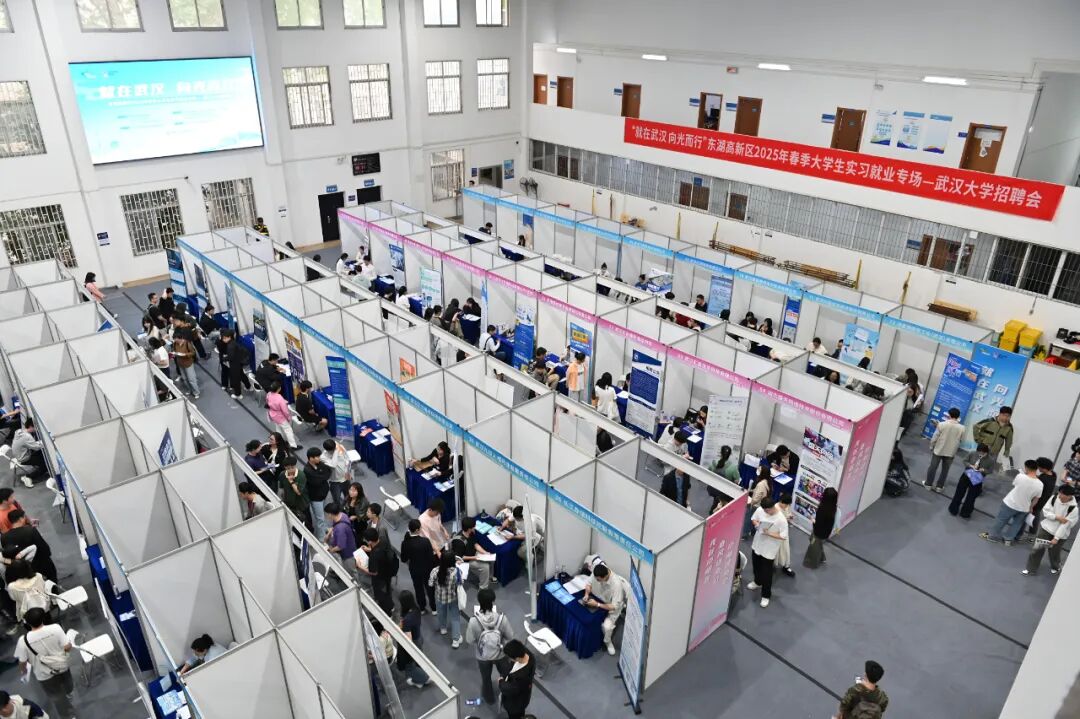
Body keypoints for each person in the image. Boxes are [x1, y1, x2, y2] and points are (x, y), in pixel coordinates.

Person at [15, 608, 74, 719]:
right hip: (62, 666)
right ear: (43, 618)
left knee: (56, 696)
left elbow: (22, 662)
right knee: (68, 685)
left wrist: (24, 671)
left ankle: (68, 715)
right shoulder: (55, 628)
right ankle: (68, 694)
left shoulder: (23, 641)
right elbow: (67, 647)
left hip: (44, 675)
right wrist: (64, 653)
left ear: (28, 623)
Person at [466, 587, 514, 705]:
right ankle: (508, 695)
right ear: (493, 601)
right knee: (506, 675)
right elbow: (510, 636)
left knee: (486, 678)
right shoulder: (502, 619)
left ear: (479, 602)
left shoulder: (473, 621)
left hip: (483, 656)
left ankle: (489, 699)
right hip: (500, 654)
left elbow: (469, 640)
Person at [981, 460, 1043, 546]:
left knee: (1001, 520)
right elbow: (1036, 499)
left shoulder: (1020, 476)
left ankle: (993, 537)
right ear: (1036, 469)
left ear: (1026, 467)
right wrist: (1031, 507)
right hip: (1024, 508)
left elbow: (1015, 485)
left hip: (1010, 503)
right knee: (1017, 524)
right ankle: (1008, 540)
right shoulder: (1040, 484)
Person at [747, 497, 788, 608]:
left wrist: (768, 533)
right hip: (757, 544)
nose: (765, 512)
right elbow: (754, 518)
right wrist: (757, 525)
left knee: (767, 574)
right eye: (764, 510)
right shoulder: (760, 510)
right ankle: (757, 582)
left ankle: (766, 595)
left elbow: (783, 536)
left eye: (767, 510)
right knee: (756, 566)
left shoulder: (781, 519)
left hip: (769, 550)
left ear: (772, 507)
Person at [583, 563, 627, 656]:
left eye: (598, 580)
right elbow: (589, 583)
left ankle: (607, 641)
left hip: (611, 606)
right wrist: (586, 594)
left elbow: (614, 606)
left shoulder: (617, 585)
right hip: (598, 599)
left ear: (606, 576)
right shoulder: (597, 571)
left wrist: (597, 604)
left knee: (607, 627)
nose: (597, 581)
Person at [2, 511, 56, 583]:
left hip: (23, 571)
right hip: (41, 566)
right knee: (51, 582)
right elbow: (44, 548)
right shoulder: (31, 531)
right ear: (21, 519)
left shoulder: (4, 537)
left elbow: (7, 555)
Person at [947, 443, 995, 519]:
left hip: (977, 479)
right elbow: (964, 460)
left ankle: (965, 513)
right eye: (979, 452)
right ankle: (953, 509)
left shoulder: (991, 460)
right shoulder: (972, 453)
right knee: (959, 493)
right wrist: (970, 465)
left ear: (986, 452)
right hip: (967, 475)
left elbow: (990, 470)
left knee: (971, 497)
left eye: (982, 453)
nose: (980, 454)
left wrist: (983, 470)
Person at [400, 519, 437, 614]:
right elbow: (431, 557)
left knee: (418, 588)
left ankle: (422, 608)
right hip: (427, 569)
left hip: (414, 569)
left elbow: (403, 559)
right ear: (417, 530)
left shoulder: (405, 543)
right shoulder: (425, 541)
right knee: (429, 588)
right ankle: (434, 608)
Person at [925, 407, 965, 492]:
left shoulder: (942, 424)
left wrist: (931, 446)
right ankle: (939, 487)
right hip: (951, 452)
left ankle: (928, 485)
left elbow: (935, 437)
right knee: (945, 470)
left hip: (939, 449)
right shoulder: (962, 428)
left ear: (949, 415)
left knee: (933, 467)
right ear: (958, 417)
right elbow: (961, 440)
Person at [428, 551, 463, 648]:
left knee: (441, 613)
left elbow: (430, 584)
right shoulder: (457, 572)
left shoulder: (435, 571)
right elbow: (460, 584)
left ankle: (443, 628)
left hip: (439, 597)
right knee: (455, 617)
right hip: (453, 598)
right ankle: (456, 640)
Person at [396, 591, 431, 687]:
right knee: (419, 659)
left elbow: (408, 639)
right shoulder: (416, 609)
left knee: (410, 665)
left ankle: (424, 678)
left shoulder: (407, 620)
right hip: (418, 637)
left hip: (413, 641)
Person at [360, 527, 397, 615]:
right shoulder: (383, 541)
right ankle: (391, 606)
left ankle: (388, 613)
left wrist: (360, 566)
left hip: (380, 580)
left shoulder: (374, 556)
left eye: (366, 540)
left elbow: (373, 572)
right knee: (388, 591)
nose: (365, 541)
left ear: (370, 541)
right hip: (387, 573)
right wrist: (369, 549)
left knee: (382, 597)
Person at [451, 516, 493, 590]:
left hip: (474, 554)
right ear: (469, 528)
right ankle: (483, 588)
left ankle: (488, 577)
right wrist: (475, 558)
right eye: (474, 526)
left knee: (491, 558)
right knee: (485, 567)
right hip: (466, 561)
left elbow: (475, 544)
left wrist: (485, 553)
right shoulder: (459, 542)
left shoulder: (471, 533)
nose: (475, 527)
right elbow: (460, 557)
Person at [498, 639, 536, 719]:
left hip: (515, 704)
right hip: (522, 695)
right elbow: (511, 667)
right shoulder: (526, 653)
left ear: (517, 658)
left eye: (510, 658)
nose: (509, 659)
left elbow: (509, 689)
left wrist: (501, 681)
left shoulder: (522, 677)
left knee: (515, 716)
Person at [803, 487, 838, 568]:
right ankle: (822, 558)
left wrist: (812, 520)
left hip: (819, 532)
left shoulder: (823, 509)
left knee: (814, 546)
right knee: (817, 543)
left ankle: (813, 563)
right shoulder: (833, 507)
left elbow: (818, 524)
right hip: (826, 531)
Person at [304, 448, 332, 538]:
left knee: (323, 515)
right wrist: (322, 477)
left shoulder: (320, 464)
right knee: (320, 519)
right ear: (311, 458)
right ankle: (321, 539)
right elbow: (316, 482)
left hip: (324, 494)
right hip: (316, 498)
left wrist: (321, 477)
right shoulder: (307, 470)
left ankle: (324, 528)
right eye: (317, 457)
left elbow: (328, 473)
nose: (319, 458)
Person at [1028, 457, 1059, 539]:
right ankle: (1032, 533)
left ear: (1044, 468)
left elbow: (1036, 486)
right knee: (1035, 514)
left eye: (1039, 467)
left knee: (1034, 515)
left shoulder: (1043, 478)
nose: (1038, 468)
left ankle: (1032, 534)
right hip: (1045, 499)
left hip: (1038, 499)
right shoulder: (1053, 474)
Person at [323, 502, 358, 576]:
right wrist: (329, 534)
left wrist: (331, 550)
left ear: (330, 514)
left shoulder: (340, 529)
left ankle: (355, 583)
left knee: (351, 571)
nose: (327, 516)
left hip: (347, 553)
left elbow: (340, 546)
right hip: (350, 544)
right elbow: (334, 526)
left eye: (327, 514)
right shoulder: (342, 515)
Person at [9, 420, 46, 486]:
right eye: (36, 427)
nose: (37, 429)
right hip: (24, 458)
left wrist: (38, 443)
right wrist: (45, 443)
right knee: (45, 465)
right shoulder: (27, 436)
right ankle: (28, 477)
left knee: (41, 454)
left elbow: (28, 444)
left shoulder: (19, 431)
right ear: (31, 426)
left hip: (20, 456)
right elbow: (36, 447)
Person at [660, 430, 691, 507]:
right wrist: (681, 457)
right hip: (670, 469)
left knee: (682, 486)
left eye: (682, 443)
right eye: (679, 443)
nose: (680, 445)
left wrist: (686, 454)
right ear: (675, 439)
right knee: (670, 490)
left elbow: (686, 451)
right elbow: (664, 461)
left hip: (680, 468)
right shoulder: (668, 447)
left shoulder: (683, 443)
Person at [171, 318, 200, 399]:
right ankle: (190, 390)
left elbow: (193, 353)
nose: (175, 341)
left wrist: (185, 354)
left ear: (180, 338)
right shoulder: (175, 344)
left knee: (191, 379)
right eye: (174, 339)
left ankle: (196, 392)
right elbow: (174, 351)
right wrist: (174, 354)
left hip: (188, 363)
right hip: (180, 364)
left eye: (176, 339)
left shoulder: (187, 344)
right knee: (185, 378)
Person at [265, 382, 299, 450]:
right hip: (280, 417)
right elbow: (285, 411)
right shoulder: (279, 398)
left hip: (273, 415)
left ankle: (280, 441)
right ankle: (293, 445)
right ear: (278, 389)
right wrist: (288, 418)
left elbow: (268, 402)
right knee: (288, 430)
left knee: (278, 428)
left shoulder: (269, 394)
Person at [219, 329, 251, 399]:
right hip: (239, 362)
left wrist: (223, 358)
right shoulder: (234, 342)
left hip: (234, 364)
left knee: (235, 379)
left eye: (224, 338)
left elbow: (230, 357)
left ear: (229, 337)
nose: (223, 340)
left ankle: (238, 394)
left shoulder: (230, 346)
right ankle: (248, 386)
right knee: (242, 374)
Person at [744, 464, 773, 539]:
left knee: (749, 519)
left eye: (759, 470)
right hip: (762, 505)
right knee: (757, 519)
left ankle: (745, 534)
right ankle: (753, 532)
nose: (758, 471)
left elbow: (756, 498)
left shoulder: (761, 484)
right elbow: (759, 491)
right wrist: (751, 490)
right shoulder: (768, 481)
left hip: (756, 505)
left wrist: (750, 503)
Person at [279, 456, 310, 525]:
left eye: (292, 467)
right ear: (285, 467)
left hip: (302, 503)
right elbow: (281, 488)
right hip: (290, 504)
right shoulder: (282, 474)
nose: (290, 470)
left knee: (307, 522)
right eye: (288, 468)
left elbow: (299, 492)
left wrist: (291, 481)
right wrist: (282, 500)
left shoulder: (301, 475)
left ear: (295, 465)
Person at [321, 438, 351, 506]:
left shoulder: (340, 447)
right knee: (336, 500)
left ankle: (347, 507)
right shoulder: (323, 457)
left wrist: (348, 471)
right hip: (335, 482)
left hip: (345, 478)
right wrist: (336, 451)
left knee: (348, 496)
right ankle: (339, 509)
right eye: (332, 450)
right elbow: (333, 465)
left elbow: (347, 458)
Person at [774, 493, 796, 577]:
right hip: (776, 533)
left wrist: (790, 516)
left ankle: (786, 566)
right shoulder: (775, 508)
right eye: (786, 504)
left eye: (788, 505)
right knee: (775, 551)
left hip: (784, 533)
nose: (786, 506)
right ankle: (772, 564)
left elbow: (787, 514)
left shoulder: (786, 506)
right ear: (781, 501)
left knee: (786, 550)